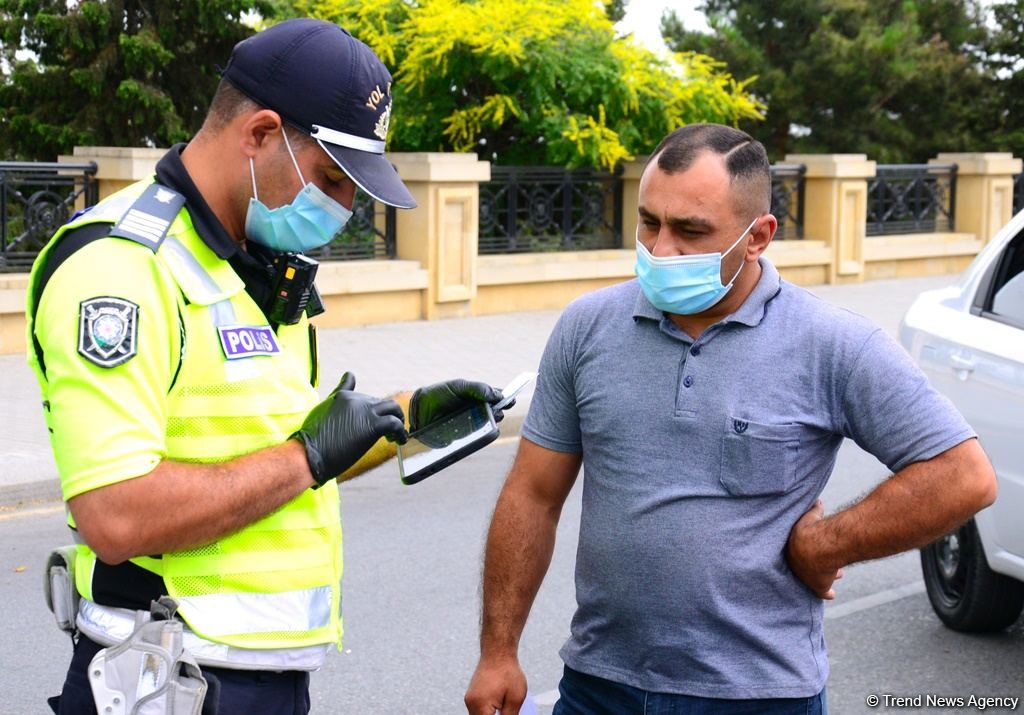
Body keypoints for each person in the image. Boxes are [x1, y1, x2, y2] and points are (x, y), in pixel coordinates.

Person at [27, 18, 505, 714]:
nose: (346, 207)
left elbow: (273, 446)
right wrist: (310, 456)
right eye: (333, 178)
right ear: (259, 134)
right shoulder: (123, 267)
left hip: (255, 677)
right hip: (167, 676)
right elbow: (115, 513)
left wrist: (401, 419)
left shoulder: (250, 264)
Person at [464, 124, 997, 715]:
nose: (661, 250)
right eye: (649, 222)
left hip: (758, 696)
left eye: (691, 231)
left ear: (757, 237)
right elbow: (533, 496)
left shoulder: (832, 343)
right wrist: (498, 651)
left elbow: (963, 475)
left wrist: (825, 545)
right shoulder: (587, 328)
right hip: (598, 686)